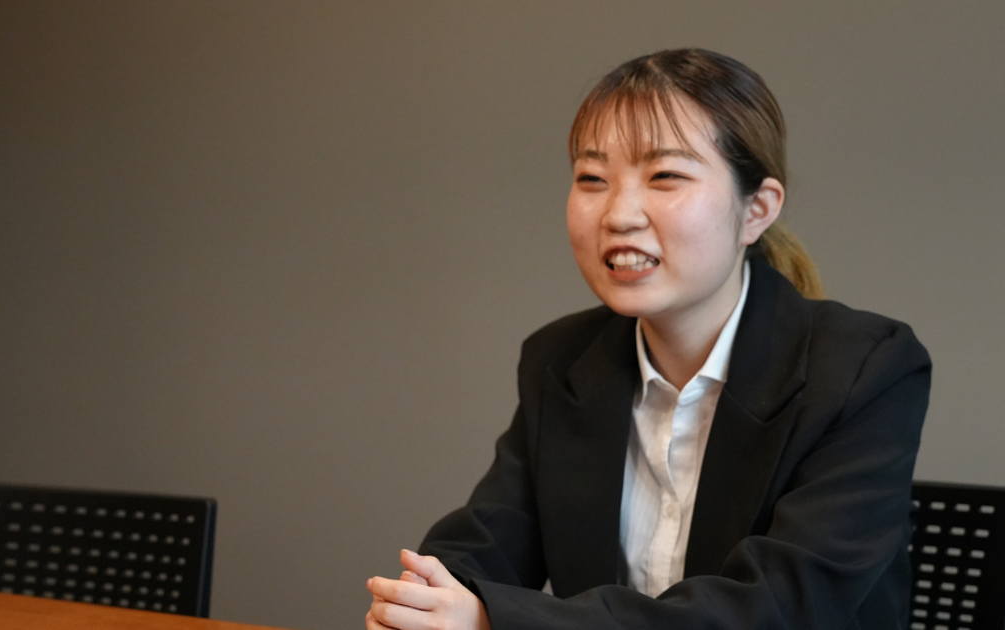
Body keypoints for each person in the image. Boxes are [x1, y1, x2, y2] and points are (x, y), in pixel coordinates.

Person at [365, 48, 930, 630]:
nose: (619, 215)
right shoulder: (560, 359)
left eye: (664, 177)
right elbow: (489, 537)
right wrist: (428, 598)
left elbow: (774, 607)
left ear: (757, 209)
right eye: (592, 179)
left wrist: (494, 622)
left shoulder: (863, 368)